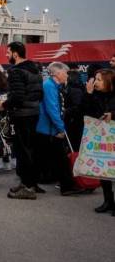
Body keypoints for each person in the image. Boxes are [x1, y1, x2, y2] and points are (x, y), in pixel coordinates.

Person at [0, 41, 44, 200]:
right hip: (33, 113)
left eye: (8, 52)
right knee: (30, 149)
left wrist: (4, 105)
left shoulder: (16, 71)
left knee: (24, 151)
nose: (7, 55)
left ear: (15, 54)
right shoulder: (35, 70)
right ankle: (28, 183)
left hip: (22, 115)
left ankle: (28, 187)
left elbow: (17, 96)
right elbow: (39, 94)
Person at [36, 62, 86, 196]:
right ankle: (67, 186)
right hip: (49, 129)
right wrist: (61, 128)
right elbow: (52, 109)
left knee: (54, 158)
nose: (67, 75)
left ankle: (33, 184)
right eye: (65, 73)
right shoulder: (49, 86)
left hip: (48, 128)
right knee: (60, 158)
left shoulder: (52, 86)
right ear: (57, 73)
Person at [83, 68, 115, 215]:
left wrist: (112, 115)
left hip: (112, 135)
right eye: (95, 79)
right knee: (104, 169)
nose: (96, 82)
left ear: (109, 81)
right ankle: (108, 201)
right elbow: (85, 110)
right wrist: (88, 94)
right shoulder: (95, 95)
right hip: (101, 136)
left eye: (99, 80)